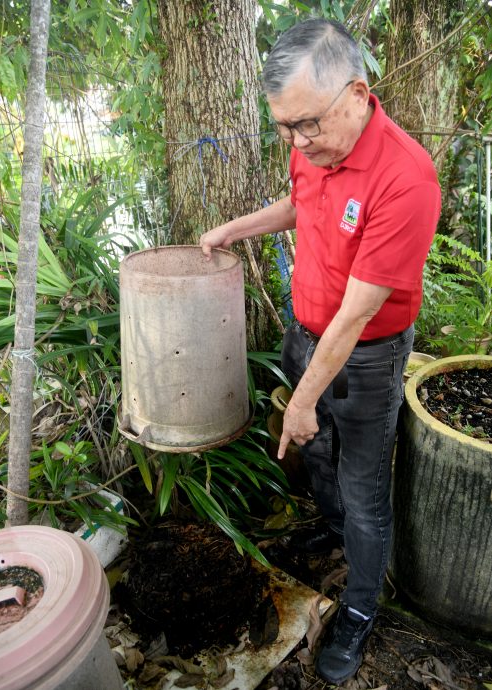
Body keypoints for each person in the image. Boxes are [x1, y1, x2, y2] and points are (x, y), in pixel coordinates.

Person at [200, 18, 441, 685]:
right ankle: (333, 533)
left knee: (364, 486)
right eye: (284, 128)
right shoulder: (311, 143)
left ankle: (361, 609)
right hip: (305, 333)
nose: (298, 142)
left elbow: (359, 313)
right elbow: (299, 204)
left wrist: (301, 402)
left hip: (364, 354)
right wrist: (235, 228)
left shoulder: (406, 179)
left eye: (307, 125)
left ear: (357, 92)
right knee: (320, 455)